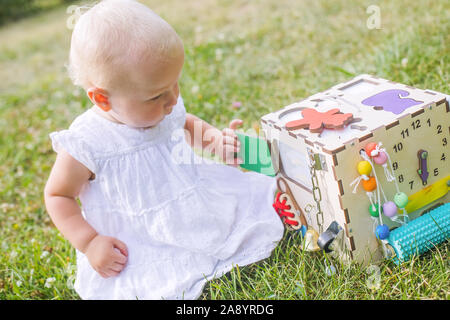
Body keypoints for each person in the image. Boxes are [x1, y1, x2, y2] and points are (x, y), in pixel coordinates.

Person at [44, 0, 284, 299]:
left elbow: (185, 123)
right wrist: (90, 241)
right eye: (157, 95)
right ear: (102, 99)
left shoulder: (165, 104)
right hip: (139, 234)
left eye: (175, 84)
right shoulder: (88, 142)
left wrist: (214, 141)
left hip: (190, 200)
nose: (172, 99)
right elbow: (58, 195)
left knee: (245, 212)